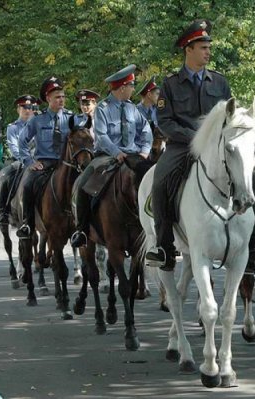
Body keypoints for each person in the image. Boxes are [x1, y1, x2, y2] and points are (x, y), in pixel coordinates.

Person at [144, 19, 234, 271]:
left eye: (208, 47)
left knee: (248, 175)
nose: (208, 52)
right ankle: (163, 247)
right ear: (189, 50)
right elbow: (164, 121)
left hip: (216, 148)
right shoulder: (171, 84)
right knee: (160, 182)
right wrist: (192, 137)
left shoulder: (220, 83)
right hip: (181, 147)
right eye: (203, 47)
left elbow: (229, 117)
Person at [70, 64, 152, 248]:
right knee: (84, 183)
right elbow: (101, 135)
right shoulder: (102, 109)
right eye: (131, 86)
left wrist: (145, 151)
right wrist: (117, 152)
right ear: (122, 87)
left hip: (134, 156)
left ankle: (159, 230)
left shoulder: (133, 109)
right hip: (106, 156)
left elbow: (145, 130)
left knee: (155, 178)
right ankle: (82, 230)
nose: (133, 89)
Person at [16, 77, 73, 238]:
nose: (61, 99)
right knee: (27, 185)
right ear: (48, 99)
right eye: (57, 97)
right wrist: (29, 162)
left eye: (62, 96)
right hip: (44, 163)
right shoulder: (37, 118)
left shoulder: (70, 118)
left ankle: (84, 226)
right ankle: (28, 224)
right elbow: (22, 140)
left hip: (67, 164)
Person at [0, 95, 39, 225]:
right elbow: (14, 147)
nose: (27, 110)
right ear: (18, 110)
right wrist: (27, 160)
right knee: (7, 177)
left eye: (30, 107)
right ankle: (3, 211)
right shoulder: (13, 127)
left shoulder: (39, 124)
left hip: (39, 160)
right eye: (24, 107)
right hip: (20, 161)